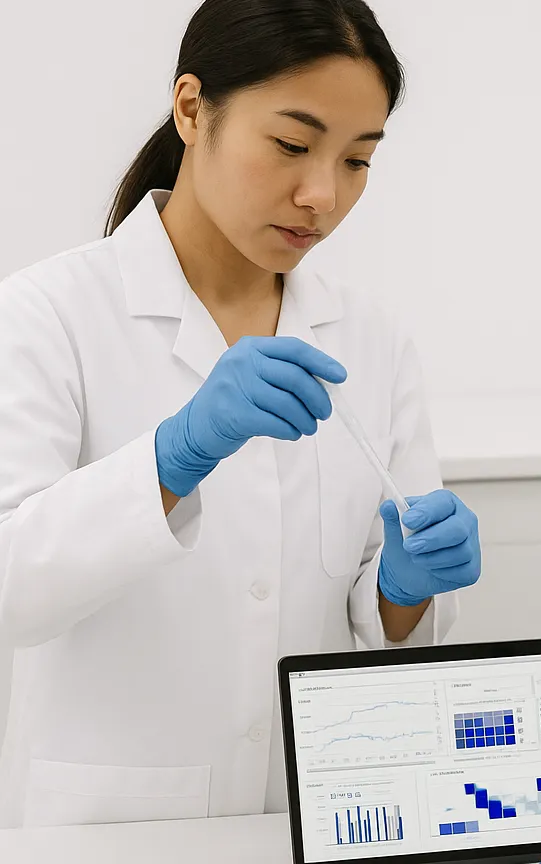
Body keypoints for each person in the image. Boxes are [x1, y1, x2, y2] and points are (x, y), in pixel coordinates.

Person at [0, 0, 481, 828]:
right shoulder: (49, 315)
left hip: (314, 813)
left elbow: (385, 624)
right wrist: (172, 458)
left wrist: (405, 588)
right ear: (192, 109)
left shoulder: (372, 341)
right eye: (292, 145)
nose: (321, 194)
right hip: (111, 828)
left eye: (358, 161)